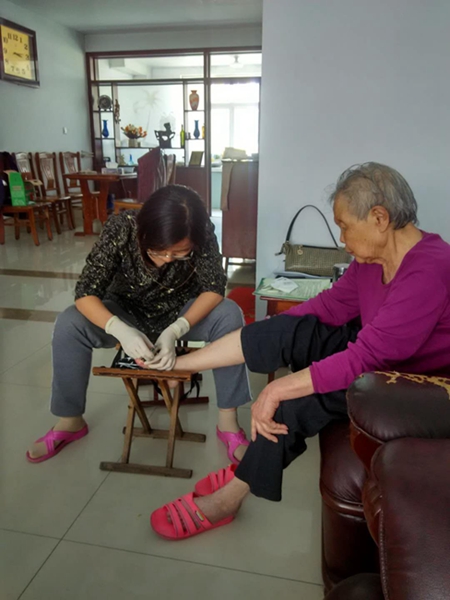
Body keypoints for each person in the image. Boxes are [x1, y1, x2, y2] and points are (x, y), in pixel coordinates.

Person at [148, 162, 450, 540]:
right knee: (295, 330)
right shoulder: (372, 260)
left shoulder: (430, 268)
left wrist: (276, 389)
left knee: (295, 400)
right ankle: (178, 366)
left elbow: (366, 359)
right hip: (381, 362)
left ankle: (228, 499)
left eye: (344, 226)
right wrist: (277, 331)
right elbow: (329, 307)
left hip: (421, 386)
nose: (341, 238)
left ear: (379, 218)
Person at [27, 184, 251, 463]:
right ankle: (70, 420)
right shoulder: (122, 228)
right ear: (144, 230)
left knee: (230, 314)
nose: (167, 260)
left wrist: (177, 329)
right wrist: (118, 329)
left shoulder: (201, 230)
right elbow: (85, 292)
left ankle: (228, 422)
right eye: (160, 251)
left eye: (179, 254)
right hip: (125, 310)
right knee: (69, 322)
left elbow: (214, 288)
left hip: (181, 311)